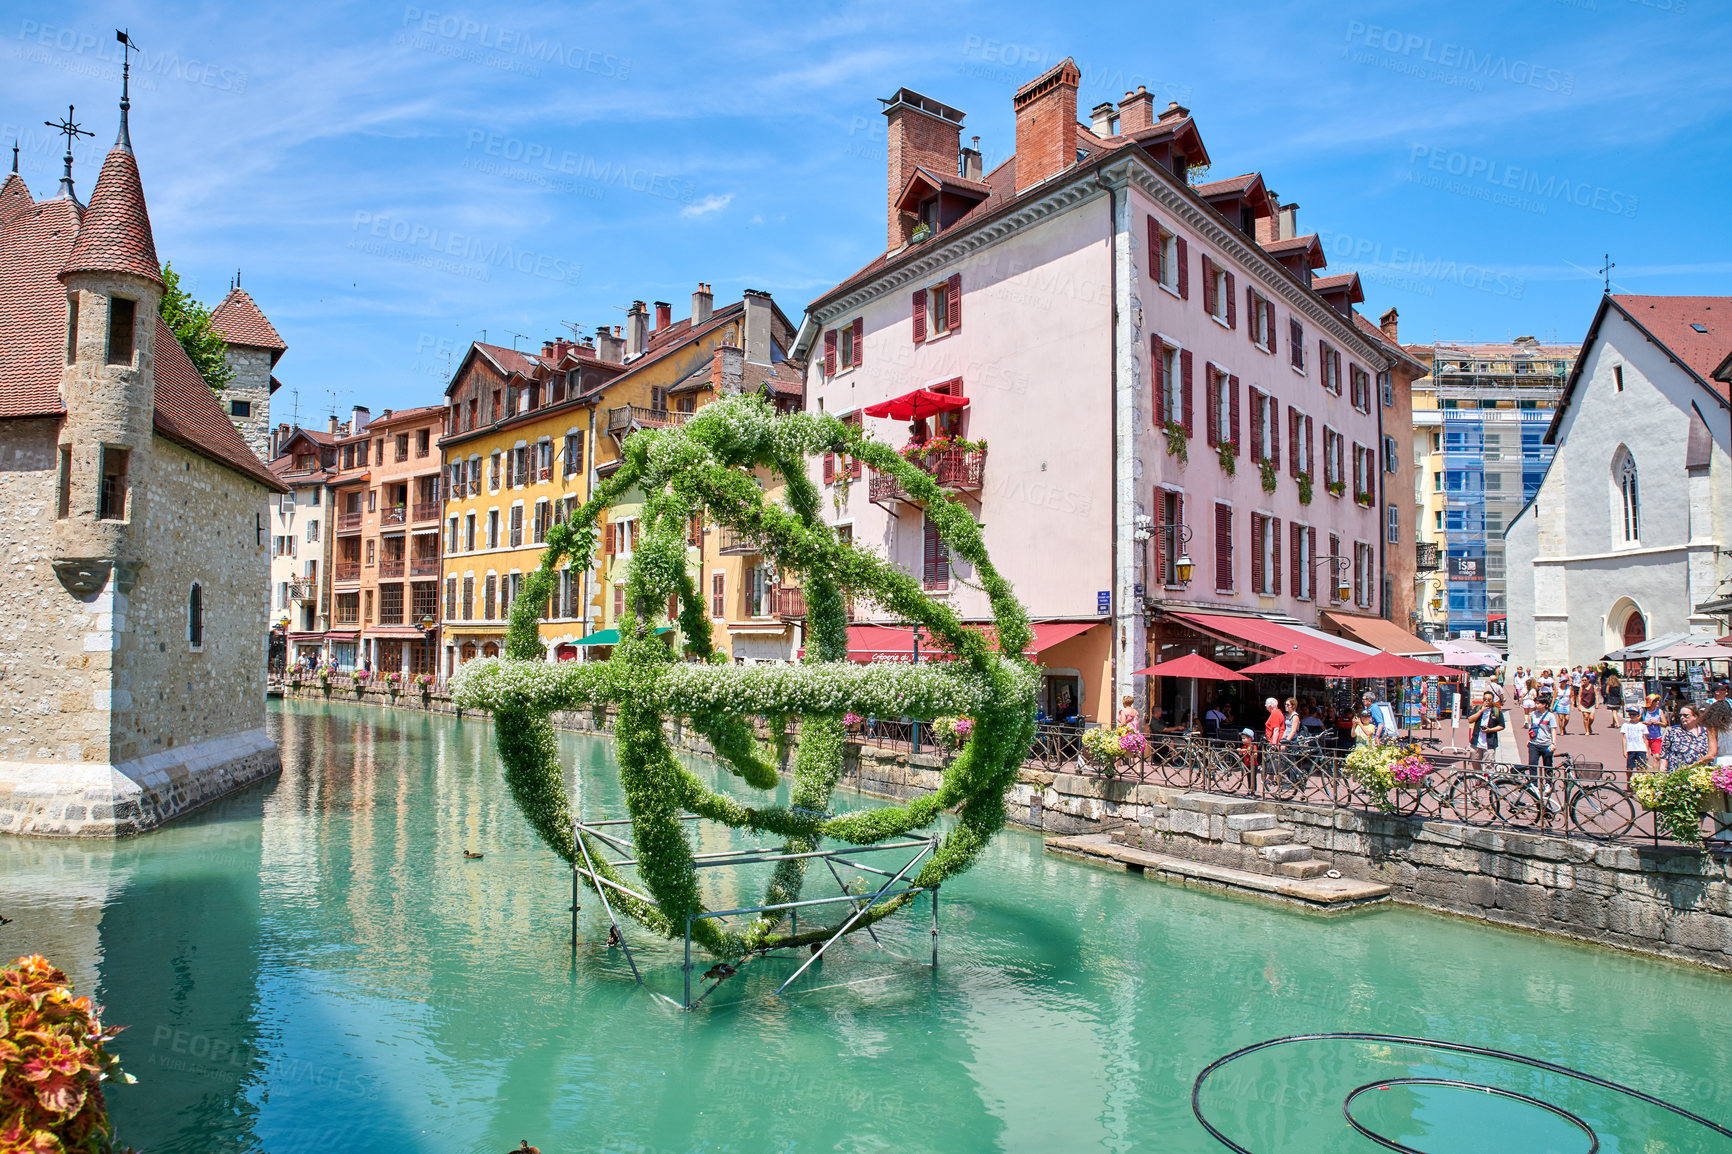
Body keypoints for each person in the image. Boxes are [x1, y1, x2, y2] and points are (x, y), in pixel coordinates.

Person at [1660, 704, 1716, 771]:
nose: (1682, 718)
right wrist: (1662, 770)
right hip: (1679, 772)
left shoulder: (1706, 732)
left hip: (1702, 773)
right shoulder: (1673, 731)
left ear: (1695, 716)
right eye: (1680, 715)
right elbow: (1664, 753)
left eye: (1685, 715)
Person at [1466, 691, 1504, 767]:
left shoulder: (1496, 711)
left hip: (1489, 743)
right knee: (1475, 762)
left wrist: (1490, 730)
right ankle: (1478, 778)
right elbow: (1470, 720)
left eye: (1489, 699)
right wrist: (1481, 711)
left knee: (1489, 766)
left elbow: (1501, 725)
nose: (1486, 701)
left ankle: (1487, 778)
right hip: (1476, 742)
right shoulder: (1478, 708)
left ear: (1492, 700)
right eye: (1485, 699)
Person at [1525, 698, 1558, 770]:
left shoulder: (1550, 716)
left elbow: (1553, 730)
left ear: (1544, 705)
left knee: (1548, 765)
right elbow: (1532, 728)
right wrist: (1529, 739)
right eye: (1535, 703)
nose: (1536, 705)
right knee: (1532, 764)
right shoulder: (1533, 714)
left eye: (1538, 703)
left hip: (1546, 744)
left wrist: (1553, 743)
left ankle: (1548, 781)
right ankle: (1533, 781)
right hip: (1534, 744)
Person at [1619, 706, 1649, 772]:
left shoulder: (1643, 726)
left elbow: (1645, 739)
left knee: (1641, 768)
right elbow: (1624, 738)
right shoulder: (1625, 725)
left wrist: (1647, 752)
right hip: (1631, 749)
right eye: (1630, 714)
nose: (1632, 716)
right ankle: (1628, 781)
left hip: (1641, 749)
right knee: (1629, 768)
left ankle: (1640, 781)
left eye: (1634, 714)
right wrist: (1624, 750)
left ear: (1638, 715)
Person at [1641, 695, 1667, 763]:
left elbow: (1665, 724)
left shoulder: (1659, 711)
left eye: (1658, 700)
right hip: (1644, 737)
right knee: (1644, 757)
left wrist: (1657, 722)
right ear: (1650, 702)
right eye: (1655, 701)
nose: (1657, 702)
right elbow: (1636, 723)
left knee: (1657, 757)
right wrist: (1645, 722)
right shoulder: (1644, 711)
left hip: (1656, 737)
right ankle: (1643, 773)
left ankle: (1655, 773)